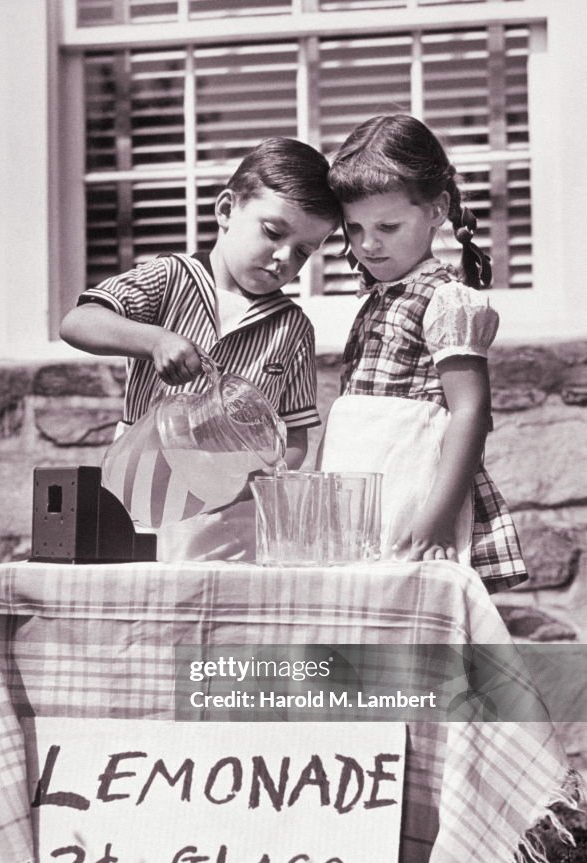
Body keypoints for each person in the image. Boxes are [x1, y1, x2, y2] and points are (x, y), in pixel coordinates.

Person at [60, 137, 340, 561]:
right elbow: (77, 323)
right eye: (273, 232)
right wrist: (155, 340)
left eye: (304, 251)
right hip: (140, 487)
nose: (284, 257)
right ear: (226, 210)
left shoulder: (293, 328)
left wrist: (248, 479)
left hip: (230, 521)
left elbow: (295, 436)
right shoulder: (170, 277)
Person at [320, 113, 527, 592]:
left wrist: (436, 516)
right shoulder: (376, 296)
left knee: (411, 615)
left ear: (437, 210)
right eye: (354, 229)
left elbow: (470, 412)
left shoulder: (446, 298)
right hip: (360, 489)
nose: (368, 244)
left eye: (388, 226)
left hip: (409, 489)